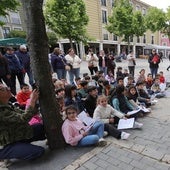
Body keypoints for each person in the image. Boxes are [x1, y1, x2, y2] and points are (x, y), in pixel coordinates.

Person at [0, 83, 45, 167]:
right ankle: (5, 154)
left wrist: (34, 101)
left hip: (16, 136)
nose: (9, 89)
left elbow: (25, 114)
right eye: (5, 89)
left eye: (7, 87)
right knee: (38, 152)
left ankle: (21, 147)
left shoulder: (7, 104)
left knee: (40, 127)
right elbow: (23, 118)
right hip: (8, 144)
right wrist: (32, 101)